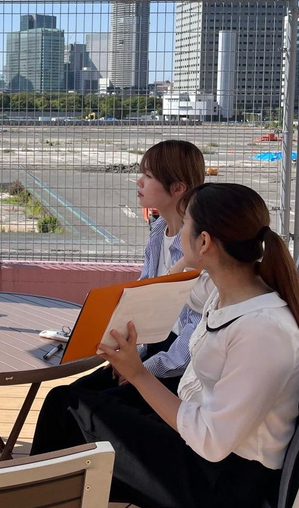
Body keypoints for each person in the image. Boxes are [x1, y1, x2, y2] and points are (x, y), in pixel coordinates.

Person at [32, 183, 299, 508]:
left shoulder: (262, 331)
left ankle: (31, 497)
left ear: (205, 240)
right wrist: (188, 257)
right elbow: (175, 291)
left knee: (68, 407)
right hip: (202, 452)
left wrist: (139, 374)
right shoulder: (228, 291)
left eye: (184, 224)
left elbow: (212, 440)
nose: (177, 231)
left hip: (219, 482)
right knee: (72, 407)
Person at [71, 140, 207, 404]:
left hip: (180, 366)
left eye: (148, 175)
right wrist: (131, 354)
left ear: (178, 188)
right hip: (152, 348)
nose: (139, 182)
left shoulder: (199, 248)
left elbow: (197, 328)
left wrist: (145, 368)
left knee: (79, 404)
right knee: (63, 398)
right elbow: (144, 300)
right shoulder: (158, 232)